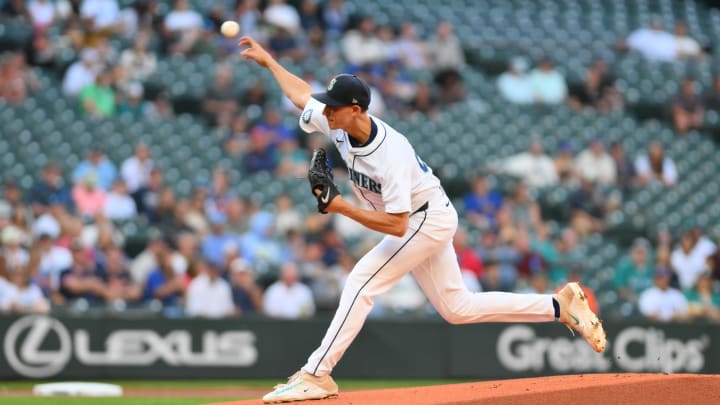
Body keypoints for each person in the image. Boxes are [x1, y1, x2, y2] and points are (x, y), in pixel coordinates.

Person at [238, 36, 605, 403]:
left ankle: (317, 375)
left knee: (362, 282)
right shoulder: (339, 124)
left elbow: (398, 226)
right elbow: (301, 95)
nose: (327, 111)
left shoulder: (390, 154)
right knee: (458, 309)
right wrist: (270, 61)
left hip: (424, 218)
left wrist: (340, 207)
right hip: (424, 215)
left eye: (334, 106)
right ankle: (558, 306)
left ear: (356, 109)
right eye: (328, 106)